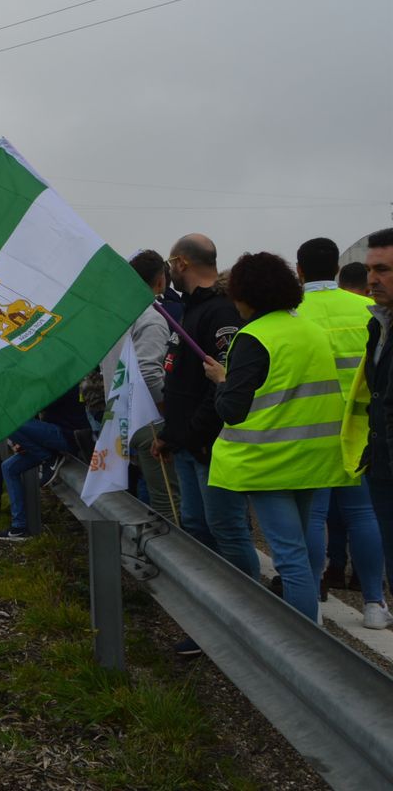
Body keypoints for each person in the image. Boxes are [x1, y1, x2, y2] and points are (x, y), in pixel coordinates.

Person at [204, 251, 356, 623]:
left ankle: (306, 649)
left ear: (246, 294)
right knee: (302, 552)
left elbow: (231, 410)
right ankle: (313, 631)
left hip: (269, 462)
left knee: (289, 558)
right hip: (314, 457)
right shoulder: (309, 329)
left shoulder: (254, 336)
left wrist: (221, 380)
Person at [294, 237, 387, 628]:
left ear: (299, 270)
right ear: (337, 269)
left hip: (311, 429)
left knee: (313, 518)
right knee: (363, 513)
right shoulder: (367, 307)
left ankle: (311, 600)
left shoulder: (293, 311)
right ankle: (374, 604)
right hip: (360, 430)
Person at [153, 234, 245, 572]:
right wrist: (169, 433)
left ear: (181, 263)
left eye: (171, 261)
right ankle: (213, 606)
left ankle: (249, 610)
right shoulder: (190, 309)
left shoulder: (220, 310)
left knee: (227, 529)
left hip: (211, 446)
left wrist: (191, 432)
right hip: (186, 444)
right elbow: (182, 383)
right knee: (195, 525)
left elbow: (223, 381)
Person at [345, 228, 393, 618]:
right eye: (369, 269)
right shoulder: (378, 325)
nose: (371, 279)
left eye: (382, 269)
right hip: (381, 466)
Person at [123, 251, 176, 522]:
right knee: (169, 503)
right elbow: (149, 373)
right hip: (150, 420)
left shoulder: (121, 313)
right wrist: (168, 411)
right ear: (160, 280)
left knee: (146, 494)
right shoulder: (152, 317)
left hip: (124, 417)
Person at [0, 389, 85, 541]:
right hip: (51, 440)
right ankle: (19, 527)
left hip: (67, 436)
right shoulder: (51, 382)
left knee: (9, 421)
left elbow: (30, 404)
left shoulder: (64, 383)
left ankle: (48, 459)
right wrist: (23, 441)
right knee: (8, 468)